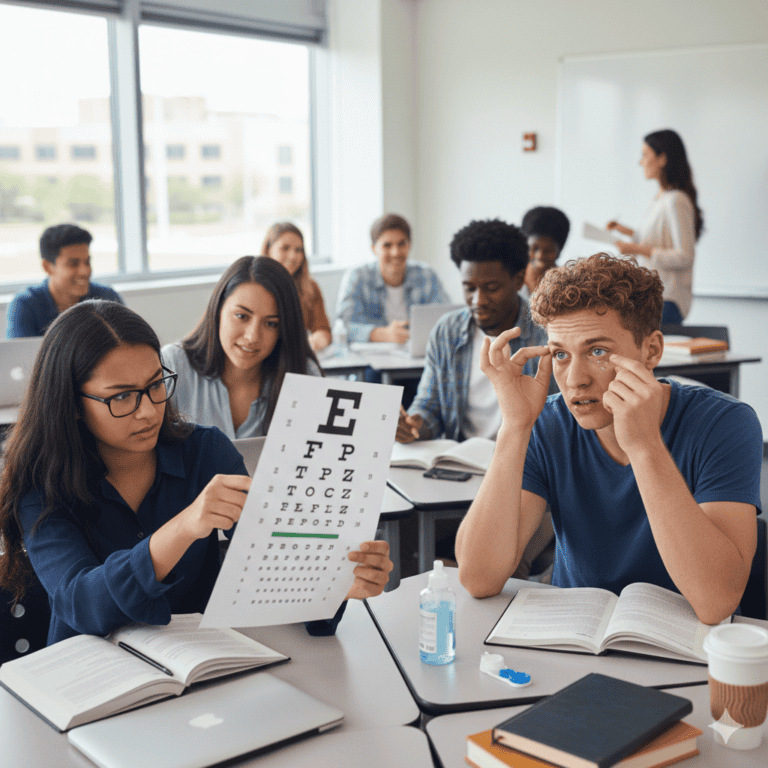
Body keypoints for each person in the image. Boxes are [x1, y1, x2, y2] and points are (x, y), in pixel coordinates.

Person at [0, 301, 392, 646]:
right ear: (70, 402)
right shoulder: (40, 483)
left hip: (203, 670)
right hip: (87, 681)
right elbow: (80, 604)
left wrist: (331, 585)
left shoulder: (205, 451)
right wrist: (184, 526)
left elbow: (274, 573)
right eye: (121, 396)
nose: (149, 410)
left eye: (156, 385)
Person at [455, 254, 760, 625]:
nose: (574, 380)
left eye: (597, 351)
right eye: (561, 355)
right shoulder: (545, 424)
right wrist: (514, 428)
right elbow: (477, 577)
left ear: (651, 351)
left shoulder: (724, 423)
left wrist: (645, 445)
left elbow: (716, 601)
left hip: (686, 651)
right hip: (577, 637)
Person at [396, 219, 554, 580]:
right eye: (468, 288)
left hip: (527, 481)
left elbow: (560, 426)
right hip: (458, 475)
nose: (478, 301)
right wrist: (414, 425)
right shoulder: (449, 331)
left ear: (519, 280)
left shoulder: (547, 336)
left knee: (502, 567)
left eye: (492, 288)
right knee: (410, 552)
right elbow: (430, 406)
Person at [162, 256, 321, 440]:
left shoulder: (303, 375)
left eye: (271, 324)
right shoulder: (172, 365)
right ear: (219, 309)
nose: (252, 337)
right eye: (241, 316)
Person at [606, 129, 704, 324]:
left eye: (645, 155)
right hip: (652, 297)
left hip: (668, 300)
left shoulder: (676, 200)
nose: (640, 162)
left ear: (662, 159)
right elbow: (659, 237)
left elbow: (684, 256)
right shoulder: (661, 199)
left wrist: (634, 249)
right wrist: (625, 231)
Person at [335, 213, 450, 344]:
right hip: (372, 359)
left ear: (409, 245)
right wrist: (381, 334)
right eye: (387, 245)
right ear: (374, 249)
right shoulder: (358, 277)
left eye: (402, 244)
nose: (395, 252)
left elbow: (446, 319)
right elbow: (342, 327)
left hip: (419, 356)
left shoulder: (427, 275)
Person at [6, 223, 124, 338]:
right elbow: (20, 356)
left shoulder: (107, 298)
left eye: (87, 262)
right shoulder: (26, 305)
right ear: (47, 267)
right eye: (73, 263)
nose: (85, 271)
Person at [261, 222, 332, 352]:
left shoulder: (310, 287)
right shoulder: (255, 287)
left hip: (298, 359)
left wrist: (316, 341)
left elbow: (323, 330)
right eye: (285, 248)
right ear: (268, 249)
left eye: (299, 250)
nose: (293, 256)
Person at [520, 206, 570, 299]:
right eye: (534, 248)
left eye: (548, 250)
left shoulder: (569, 285)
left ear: (559, 251)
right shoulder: (511, 282)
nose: (540, 255)